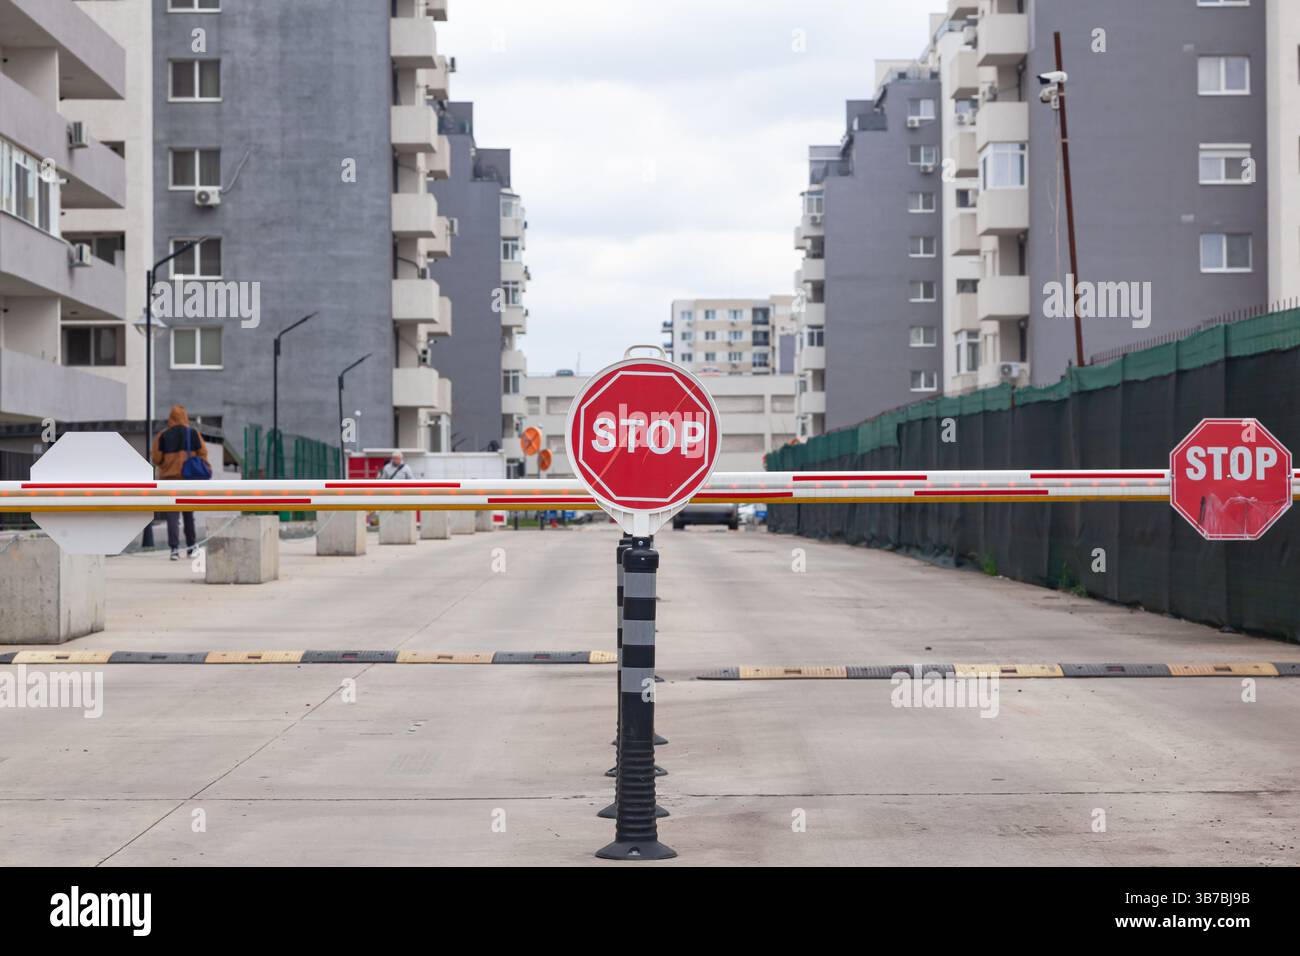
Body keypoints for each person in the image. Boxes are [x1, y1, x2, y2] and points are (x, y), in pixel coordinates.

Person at [152, 404, 210, 560]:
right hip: (188, 479)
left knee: (172, 516)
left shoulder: (163, 435)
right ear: (185, 417)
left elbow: (156, 458)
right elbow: (203, 453)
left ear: (171, 417)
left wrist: (167, 464)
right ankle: (191, 548)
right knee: (189, 514)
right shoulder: (192, 433)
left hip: (169, 480)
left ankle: (174, 549)